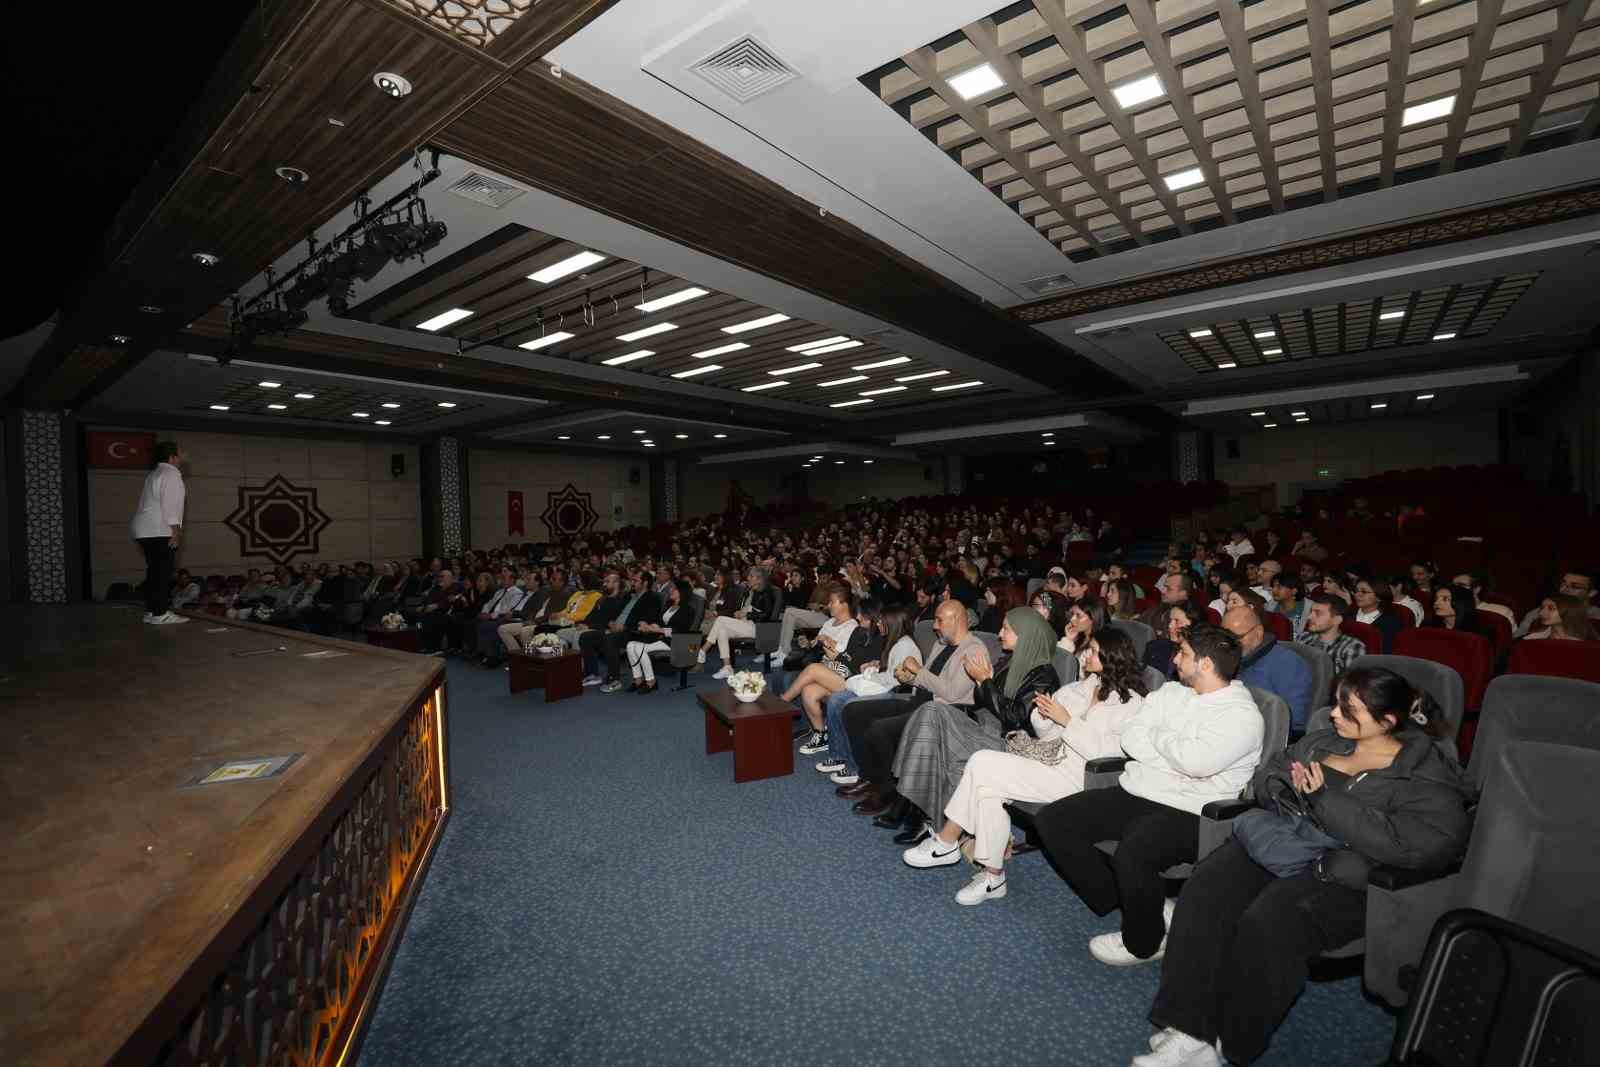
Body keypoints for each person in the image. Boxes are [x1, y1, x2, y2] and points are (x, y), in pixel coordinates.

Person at [1137, 667, 1469, 1066]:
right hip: (1288, 841)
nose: (1333, 716)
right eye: (1337, 704)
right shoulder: (1324, 741)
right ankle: (1187, 1024)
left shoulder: (1423, 777)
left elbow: (1414, 848)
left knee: (1268, 923)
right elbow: (1271, 773)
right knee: (1206, 889)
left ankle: (1228, 1041)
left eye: (1349, 711)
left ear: (1387, 722)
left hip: (1345, 871)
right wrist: (1289, 792)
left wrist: (1324, 799)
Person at [1034, 623, 1262, 966]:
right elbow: (1131, 740)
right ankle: (1136, 903)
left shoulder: (1242, 715)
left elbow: (1195, 763)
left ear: (1205, 664)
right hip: (1139, 790)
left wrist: (1160, 741)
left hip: (1194, 811)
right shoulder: (1172, 692)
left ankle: (1144, 942)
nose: (1175, 658)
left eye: (1183, 653)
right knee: (1053, 820)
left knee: (1134, 852)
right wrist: (1172, 751)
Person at [901, 628, 1147, 905]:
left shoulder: (1133, 705)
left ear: (1112, 656)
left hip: (1082, 779)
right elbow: (1045, 734)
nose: (1087, 654)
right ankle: (993, 877)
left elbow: (1109, 755)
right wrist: (1043, 715)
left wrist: (1068, 721)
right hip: (1050, 762)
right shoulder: (1080, 687)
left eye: (1094, 649)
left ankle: (947, 841)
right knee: (989, 790)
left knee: (982, 763)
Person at [891, 608, 1058, 848]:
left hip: (1010, 743)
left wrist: (985, 681)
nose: (1000, 635)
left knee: (933, 722)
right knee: (931, 711)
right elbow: (982, 703)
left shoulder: (1044, 676)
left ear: (1026, 636)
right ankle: (916, 806)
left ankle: (919, 811)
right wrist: (984, 682)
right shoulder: (1009, 662)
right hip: (984, 727)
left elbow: (1016, 718)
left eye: (1007, 629)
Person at [842, 600, 984, 819]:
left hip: (939, 713)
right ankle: (870, 777)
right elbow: (927, 681)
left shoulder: (973, 650)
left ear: (956, 620)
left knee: (879, 730)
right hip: (917, 701)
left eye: (939, 620)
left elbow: (952, 693)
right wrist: (911, 678)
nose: (935, 626)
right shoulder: (941, 644)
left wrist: (918, 671)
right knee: (853, 712)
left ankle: (886, 790)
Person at [818, 605, 916, 784]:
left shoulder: (904, 646)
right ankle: (839, 755)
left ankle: (854, 767)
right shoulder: (894, 641)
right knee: (835, 699)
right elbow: (890, 670)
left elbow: (898, 681)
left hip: (894, 694)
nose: (878, 624)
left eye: (881, 621)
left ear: (891, 624)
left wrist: (873, 676)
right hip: (885, 686)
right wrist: (876, 665)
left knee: (847, 705)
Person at [1222, 605, 1314, 733]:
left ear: (1258, 632)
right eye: (1224, 637)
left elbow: (1293, 723)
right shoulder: (1224, 657)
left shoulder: (1289, 664)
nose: (1228, 644)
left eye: (1237, 638)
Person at [129, 441, 190, 625]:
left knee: (154, 571)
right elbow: (172, 505)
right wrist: (176, 531)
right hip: (159, 529)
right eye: (181, 451)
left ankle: (152, 611)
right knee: (163, 572)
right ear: (172, 457)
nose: (184, 453)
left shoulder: (155, 473)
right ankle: (160, 613)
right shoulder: (171, 474)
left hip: (145, 529)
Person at [699, 566, 780, 678]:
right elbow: (749, 609)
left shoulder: (767, 592)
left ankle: (703, 650)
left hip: (760, 627)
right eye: (749, 575)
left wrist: (746, 614)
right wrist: (742, 612)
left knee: (720, 620)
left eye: (751, 576)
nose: (748, 578)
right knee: (722, 630)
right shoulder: (753, 591)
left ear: (759, 579)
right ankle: (727, 667)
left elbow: (768, 615)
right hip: (748, 624)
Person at [622, 579, 698, 693]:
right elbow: (660, 621)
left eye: (674, 588)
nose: (671, 590)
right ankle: (638, 679)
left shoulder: (688, 610)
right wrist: (649, 625)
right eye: (671, 588)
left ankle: (651, 681)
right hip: (660, 638)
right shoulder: (669, 604)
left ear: (682, 591)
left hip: (676, 641)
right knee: (630, 645)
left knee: (638, 647)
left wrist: (655, 629)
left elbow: (678, 630)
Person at [1297, 593, 1366, 675]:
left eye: (1318, 613)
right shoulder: (1303, 637)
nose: (1309, 617)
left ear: (1337, 620)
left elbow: (1351, 684)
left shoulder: (1352, 647)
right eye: (1311, 612)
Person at [1515, 570, 1600, 635]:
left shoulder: (1597, 616)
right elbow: (1517, 642)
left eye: (1575, 587)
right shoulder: (1538, 612)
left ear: (1591, 593)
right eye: (1563, 583)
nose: (1565, 589)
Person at [1516, 593, 1597, 641]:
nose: (1541, 613)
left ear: (1570, 612)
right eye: (1542, 608)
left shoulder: (1588, 645)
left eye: (1551, 608)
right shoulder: (1530, 639)